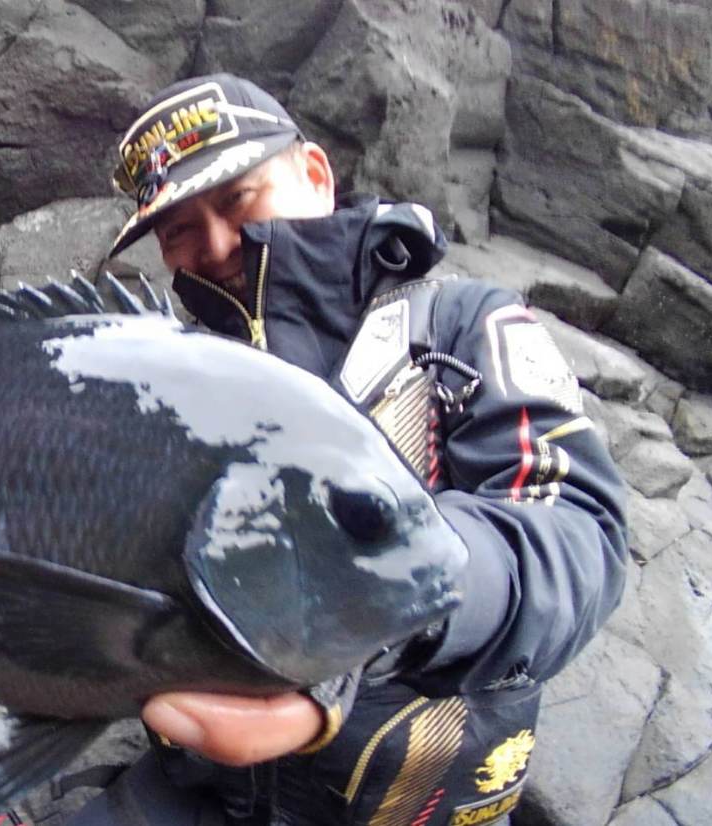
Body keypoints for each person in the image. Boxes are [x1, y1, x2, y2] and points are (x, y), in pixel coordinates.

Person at [63, 74, 628, 825]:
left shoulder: (464, 327)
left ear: (316, 174)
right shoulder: (169, 384)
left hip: (409, 804)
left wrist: (391, 594)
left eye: (236, 200)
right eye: (178, 231)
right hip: (197, 785)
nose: (218, 245)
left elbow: (580, 535)